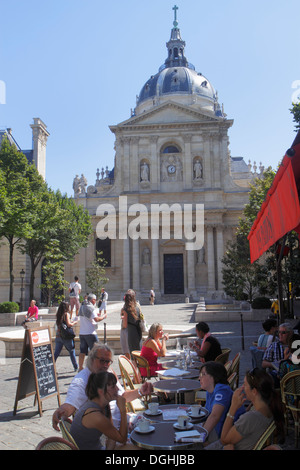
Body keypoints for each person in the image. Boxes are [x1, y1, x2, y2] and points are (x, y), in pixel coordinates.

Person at [52, 343, 153, 432]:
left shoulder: (108, 373)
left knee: (152, 423)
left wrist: (140, 391)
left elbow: (122, 396)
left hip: (121, 421)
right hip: (106, 433)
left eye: (108, 361)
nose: (105, 365)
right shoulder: (81, 381)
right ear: (91, 359)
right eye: (102, 361)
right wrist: (59, 412)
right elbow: (70, 405)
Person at [220, 368, 285, 450]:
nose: (242, 387)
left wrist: (233, 407)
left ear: (254, 391)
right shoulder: (270, 408)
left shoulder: (251, 418)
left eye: (244, 384)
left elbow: (224, 440)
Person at [70, 371, 129, 450]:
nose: (117, 389)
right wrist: (123, 410)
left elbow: (112, 436)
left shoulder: (103, 406)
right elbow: (122, 439)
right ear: (100, 391)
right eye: (113, 387)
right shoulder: (95, 415)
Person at [199, 362, 245, 446]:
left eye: (203, 374)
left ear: (213, 377)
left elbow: (215, 416)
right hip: (216, 429)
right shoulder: (210, 391)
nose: (199, 378)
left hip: (223, 435)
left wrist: (200, 438)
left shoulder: (222, 390)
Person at [78, 293, 106, 371]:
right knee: (96, 351)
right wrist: (103, 316)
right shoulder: (90, 307)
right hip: (90, 332)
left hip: (82, 332)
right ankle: (94, 367)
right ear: (92, 300)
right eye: (95, 299)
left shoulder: (82, 307)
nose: (95, 301)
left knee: (82, 351)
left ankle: (80, 367)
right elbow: (96, 319)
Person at [54, 301, 78, 372]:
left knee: (56, 353)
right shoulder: (66, 314)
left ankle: (51, 366)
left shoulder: (58, 314)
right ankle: (76, 366)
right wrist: (74, 322)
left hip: (58, 336)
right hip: (66, 337)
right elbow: (69, 324)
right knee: (71, 351)